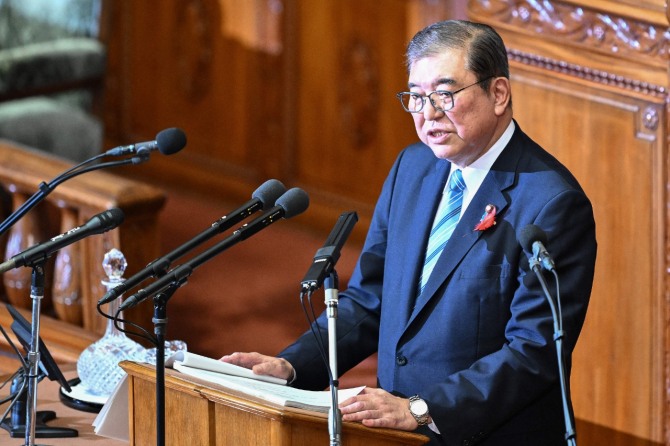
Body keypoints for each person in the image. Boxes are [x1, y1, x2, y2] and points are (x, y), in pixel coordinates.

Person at [222, 19, 597, 445]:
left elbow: (533, 350)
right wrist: (292, 367)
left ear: (498, 94)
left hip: (483, 434)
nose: (429, 114)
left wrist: (422, 409)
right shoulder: (412, 168)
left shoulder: (552, 203)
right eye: (416, 98)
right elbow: (370, 298)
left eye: (444, 94)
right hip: (393, 432)